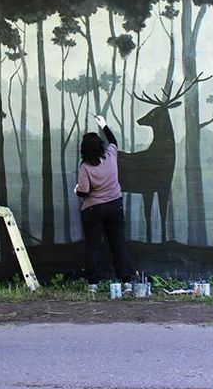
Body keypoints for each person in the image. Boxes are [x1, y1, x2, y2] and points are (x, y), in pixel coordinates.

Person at [76, 115, 134, 294]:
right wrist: (104, 125)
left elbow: (84, 192)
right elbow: (114, 141)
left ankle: (93, 284)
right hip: (115, 206)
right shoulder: (110, 156)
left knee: (93, 246)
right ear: (101, 146)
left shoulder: (85, 167)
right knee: (118, 244)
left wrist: (76, 189)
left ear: (84, 150)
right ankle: (127, 283)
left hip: (93, 210)